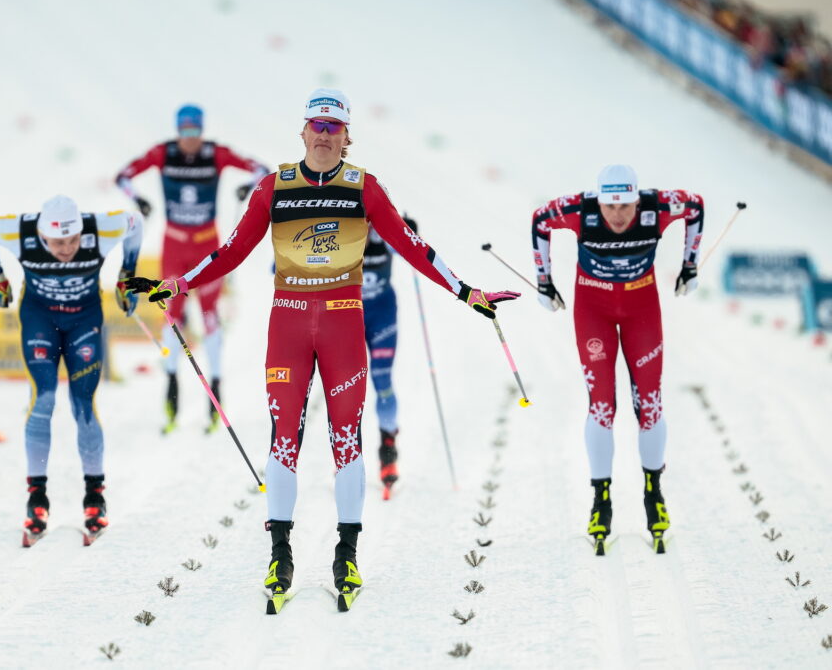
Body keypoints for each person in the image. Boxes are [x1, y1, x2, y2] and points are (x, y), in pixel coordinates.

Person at [123, 89, 519, 610]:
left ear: (347, 136)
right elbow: (231, 251)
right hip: (288, 323)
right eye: (318, 125)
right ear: (304, 131)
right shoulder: (274, 187)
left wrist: (467, 292)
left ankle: (346, 554)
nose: (326, 135)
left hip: (342, 325)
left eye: (335, 127)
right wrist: (179, 284)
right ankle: (279, 555)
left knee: (346, 441)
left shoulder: (364, 188)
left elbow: (413, 247)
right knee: (283, 438)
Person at [531, 164, 704, 555]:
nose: (618, 215)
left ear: (636, 199)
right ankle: (601, 500)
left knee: (650, 403)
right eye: (610, 206)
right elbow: (540, 219)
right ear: (600, 201)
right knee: (602, 406)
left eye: (625, 205)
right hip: (594, 310)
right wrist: (544, 281)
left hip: (642, 309)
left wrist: (690, 265)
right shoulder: (581, 209)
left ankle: (653, 494)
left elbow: (695, 207)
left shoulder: (657, 207)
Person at [0, 195, 143, 545]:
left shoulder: (101, 228)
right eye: (57, 243)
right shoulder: (21, 232)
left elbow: (136, 222)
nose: (66, 249)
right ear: (42, 235)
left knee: (83, 403)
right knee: (44, 398)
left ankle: (95, 497)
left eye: (73, 240)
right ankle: (37, 499)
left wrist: (127, 273)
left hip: (84, 320)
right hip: (40, 320)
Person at [115, 104, 269, 433]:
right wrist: (138, 200)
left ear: (202, 129)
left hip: (206, 245)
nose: (190, 138)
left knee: (210, 315)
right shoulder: (164, 153)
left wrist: (249, 188)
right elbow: (123, 176)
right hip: (173, 247)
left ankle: (216, 396)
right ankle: (171, 391)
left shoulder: (215, 153)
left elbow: (261, 169)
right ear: (177, 130)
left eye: (195, 130)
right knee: (172, 315)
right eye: (184, 131)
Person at [361, 214, 418, 498]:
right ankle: (347, 451)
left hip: (381, 314)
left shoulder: (381, 229)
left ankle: (387, 450)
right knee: (347, 384)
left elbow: (408, 250)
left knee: (382, 380)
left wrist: (408, 232)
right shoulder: (340, 225)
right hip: (347, 313)